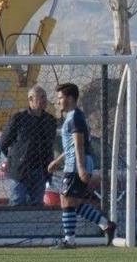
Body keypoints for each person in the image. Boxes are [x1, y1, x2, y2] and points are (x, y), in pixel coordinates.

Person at [48, 83, 116, 249]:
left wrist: (80, 168)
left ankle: (69, 241)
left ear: (70, 98)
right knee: (74, 203)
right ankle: (106, 225)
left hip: (77, 163)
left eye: (60, 98)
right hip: (75, 162)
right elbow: (73, 145)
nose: (58, 102)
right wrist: (58, 161)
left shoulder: (75, 118)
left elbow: (79, 145)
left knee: (67, 200)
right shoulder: (74, 116)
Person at [0, 85, 57, 206]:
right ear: (30, 99)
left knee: (37, 204)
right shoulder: (18, 119)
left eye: (45, 97)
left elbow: (50, 145)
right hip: (20, 171)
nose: (44, 100)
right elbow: (3, 143)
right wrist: (16, 158)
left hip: (41, 170)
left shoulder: (50, 120)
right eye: (40, 97)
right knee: (17, 201)